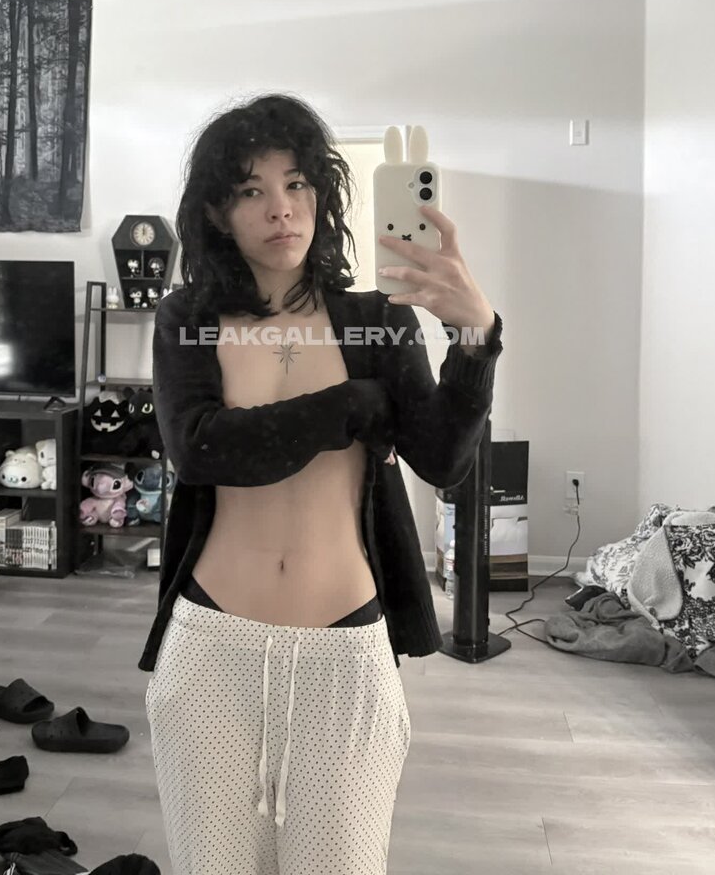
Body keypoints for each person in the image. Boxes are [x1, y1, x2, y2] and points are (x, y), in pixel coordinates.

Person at [141, 94, 504, 875]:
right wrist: (348, 406)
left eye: (297, 183)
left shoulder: (376, 320)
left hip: (346, 651)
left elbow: (443, 459)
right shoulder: (187, 320)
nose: (281, 208)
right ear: (218, 211)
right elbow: (201, 449)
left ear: (323, 194)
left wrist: (475, 337)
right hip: (211, 646)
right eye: (252, 190)